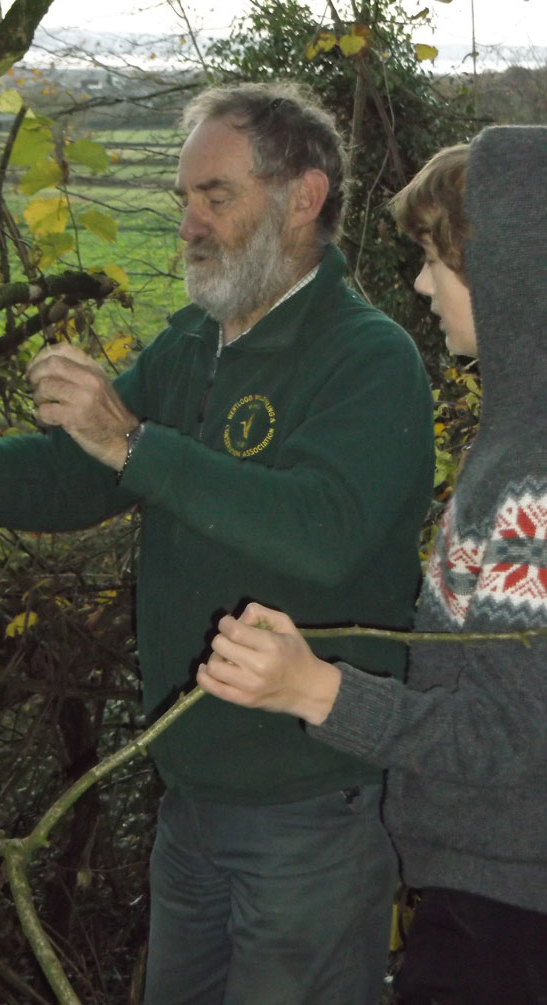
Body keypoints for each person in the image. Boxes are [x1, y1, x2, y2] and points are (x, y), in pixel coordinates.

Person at [0, 82, 434, 1004]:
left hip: (310, 805)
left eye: (217, 196)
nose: (191, 222)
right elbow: (77, 473)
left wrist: (132, 441)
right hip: (191, 796)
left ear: (304, 197)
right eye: (184, 200)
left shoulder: (368, 357)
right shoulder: (192, 347)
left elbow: (323, 533)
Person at [198, 125, 547, 1004]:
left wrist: (314, 690)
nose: (423, 284)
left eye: (438, 259)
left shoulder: (533, 471)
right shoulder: (512, 437)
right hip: (490, 889)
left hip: (509, 917)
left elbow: (517, 739)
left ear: (510, 272)